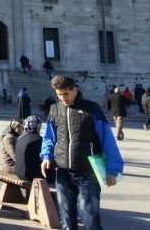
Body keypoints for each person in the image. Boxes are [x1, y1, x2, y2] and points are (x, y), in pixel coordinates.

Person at [41, 75, 123, 230]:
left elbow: (107, 140)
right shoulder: (54, 109)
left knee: (90, 219)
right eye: (59, 94)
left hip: (88, 173)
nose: (63, 98)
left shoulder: (92, 109)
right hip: (63, 172)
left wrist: (113, 170)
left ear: (75, 90)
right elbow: (49, 137)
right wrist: (47, 156)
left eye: (66, 94)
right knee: (66, 220)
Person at [15, 116, 53, 182]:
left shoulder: (20, 137)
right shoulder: (38, 139)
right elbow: (40, 158)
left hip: (19, 173)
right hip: (30, 175)